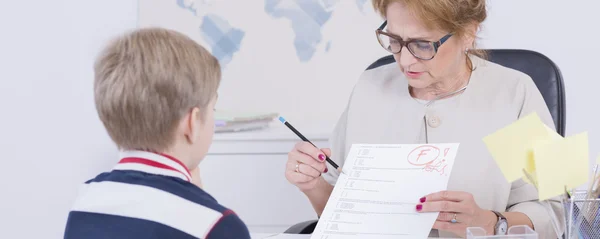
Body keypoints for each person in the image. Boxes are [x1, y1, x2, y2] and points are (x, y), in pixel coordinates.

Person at [285, 0, 564, 238]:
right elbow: (341, 214)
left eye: (422, 44)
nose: (405, 61)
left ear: (468, 33)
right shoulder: (369, 87)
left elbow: (554, 213)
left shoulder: (513, 91)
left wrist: (489, 222)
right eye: (395, 40)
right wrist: (313, 185)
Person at [63, 27, 251, 239]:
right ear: (192, 123)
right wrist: (200, 202)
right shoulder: (218, 225)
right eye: (212, 110)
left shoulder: (87, 200)